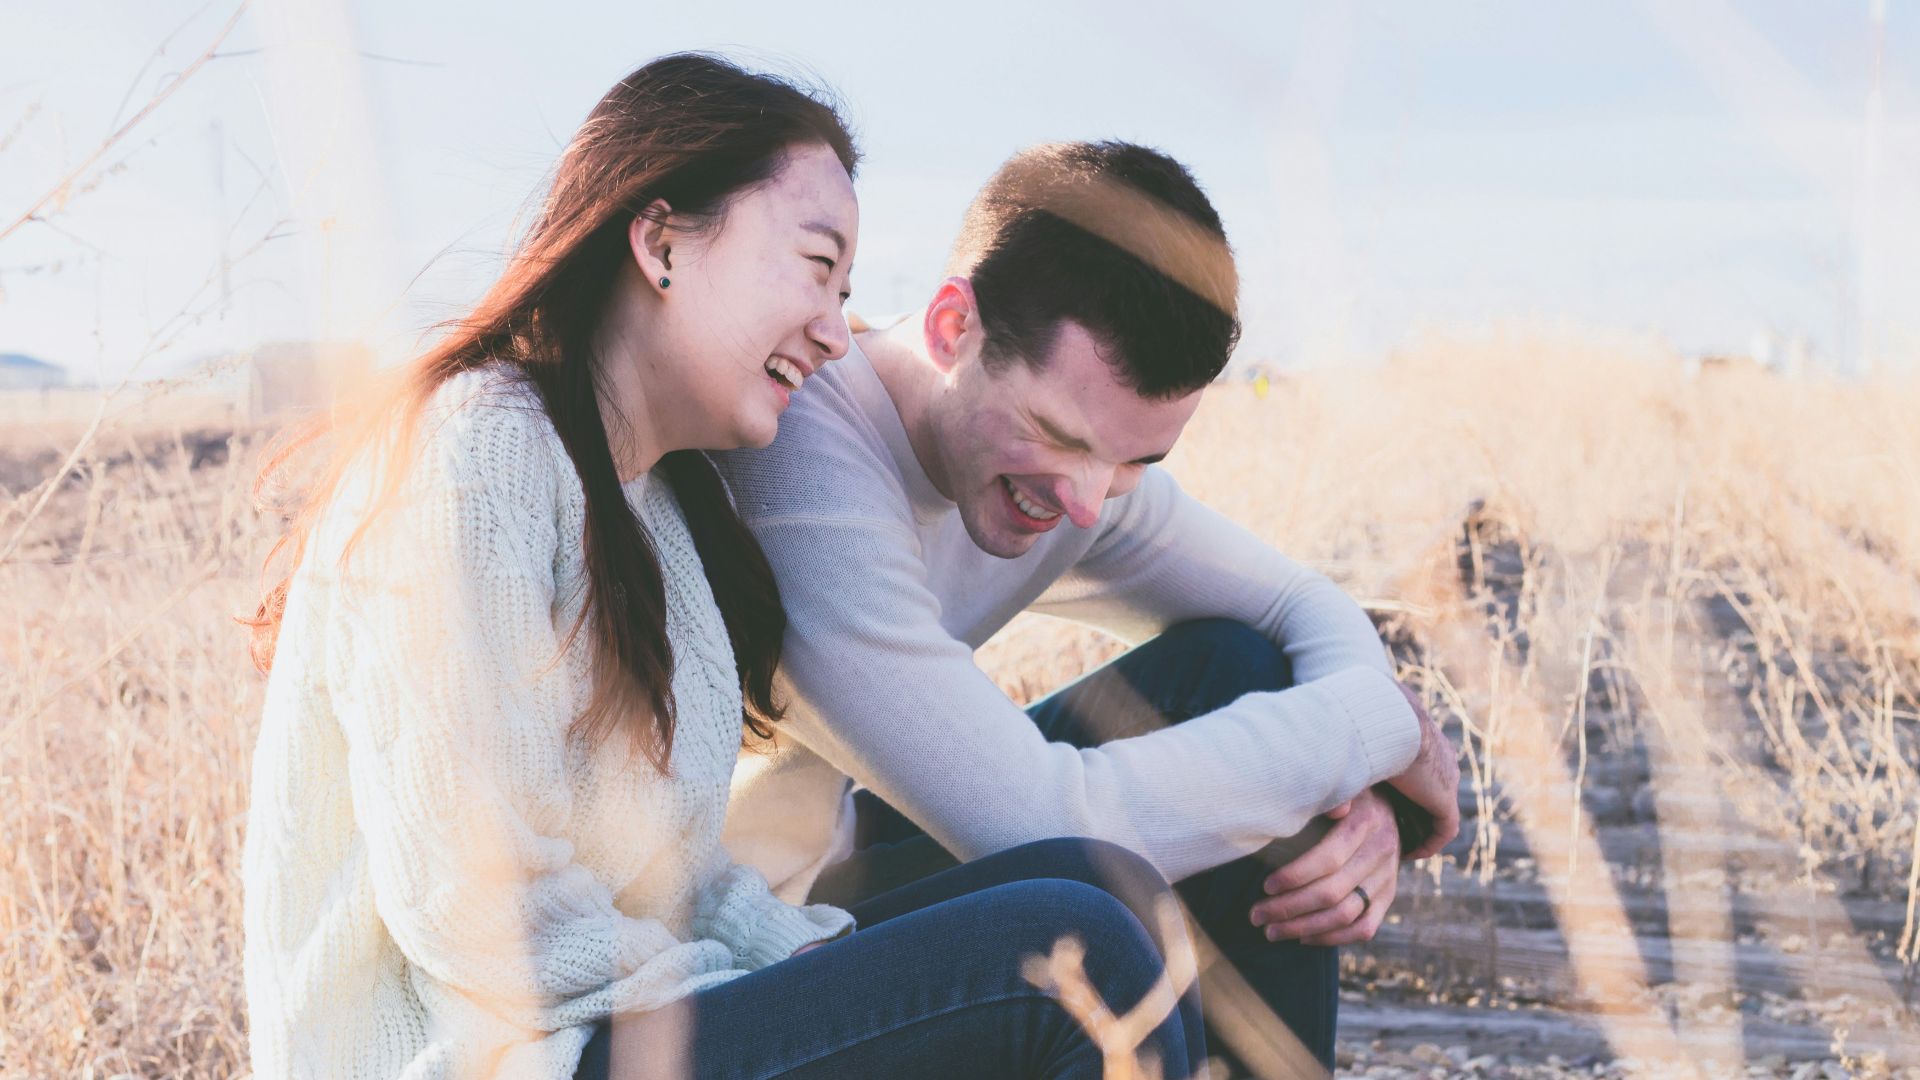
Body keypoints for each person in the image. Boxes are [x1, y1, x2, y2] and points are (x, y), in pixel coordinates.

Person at [240, 56, 1203, 1080]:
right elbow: (472, 905)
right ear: (660, 242)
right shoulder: (476, 456)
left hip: (609, 1027)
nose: (837, 332)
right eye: (814, 267)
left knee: (1102, 883)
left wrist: (825, 968)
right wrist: (775, 997)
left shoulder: (653, 507)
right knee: (1062, 952)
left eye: (845, 290)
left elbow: (677, 878)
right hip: (497, 1056)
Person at [711, 140, 1463, 1073]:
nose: (1085, 499)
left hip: (832, 871)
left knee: (1240, 673)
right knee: (1103, 905)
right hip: (729, 956)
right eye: (1058, 435)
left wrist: (1358, 797)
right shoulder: (803, 461)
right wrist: (1375, 732)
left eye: (1136, 461)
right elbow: (1040, 825)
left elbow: (1298, 605)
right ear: (954, 327)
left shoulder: (1082, 474)